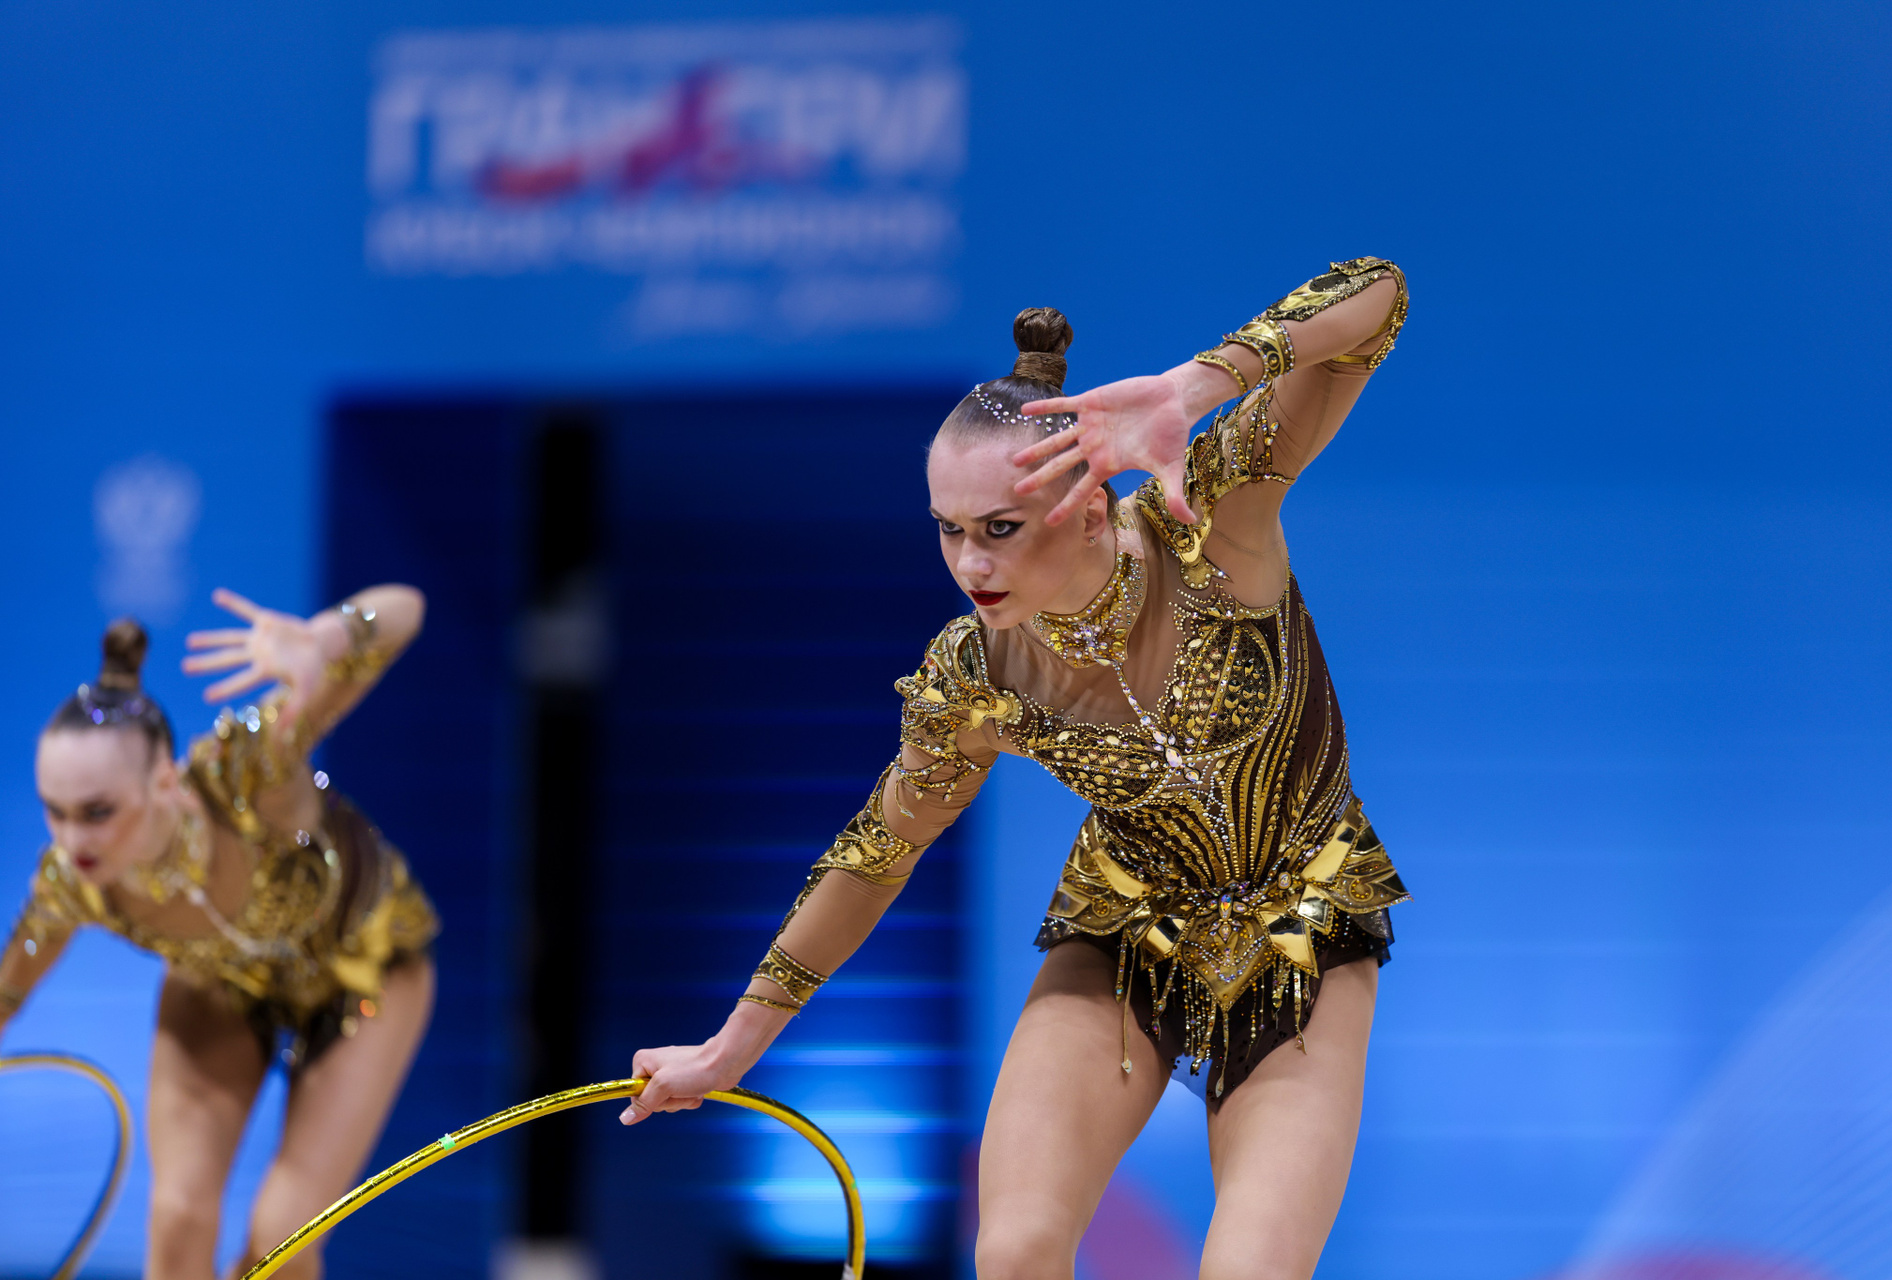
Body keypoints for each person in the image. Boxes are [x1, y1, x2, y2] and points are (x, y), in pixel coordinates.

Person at [623, 259, 1413, 1279]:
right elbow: (875, 853)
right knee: (1016, 1250)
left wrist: (1197, 386)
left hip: (1306, 923)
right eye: (948, 530)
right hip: (1122, 931)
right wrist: (728, 1050)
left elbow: (1377, 298)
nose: (970, 564)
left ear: (1087, 507)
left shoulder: (1211, 520)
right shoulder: (974, 673)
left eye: (1000, 528)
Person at [0, 588, 440, 1280]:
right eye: (55, 812)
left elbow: (407, 610)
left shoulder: (247, 772)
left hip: (366, 972)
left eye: (97, 812)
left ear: (163, 781)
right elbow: (9, 989)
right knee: (179, 1218)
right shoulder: (73, 879)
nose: (73, 840)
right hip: (223, 989)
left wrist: (328, 637)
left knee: (283, 1238)